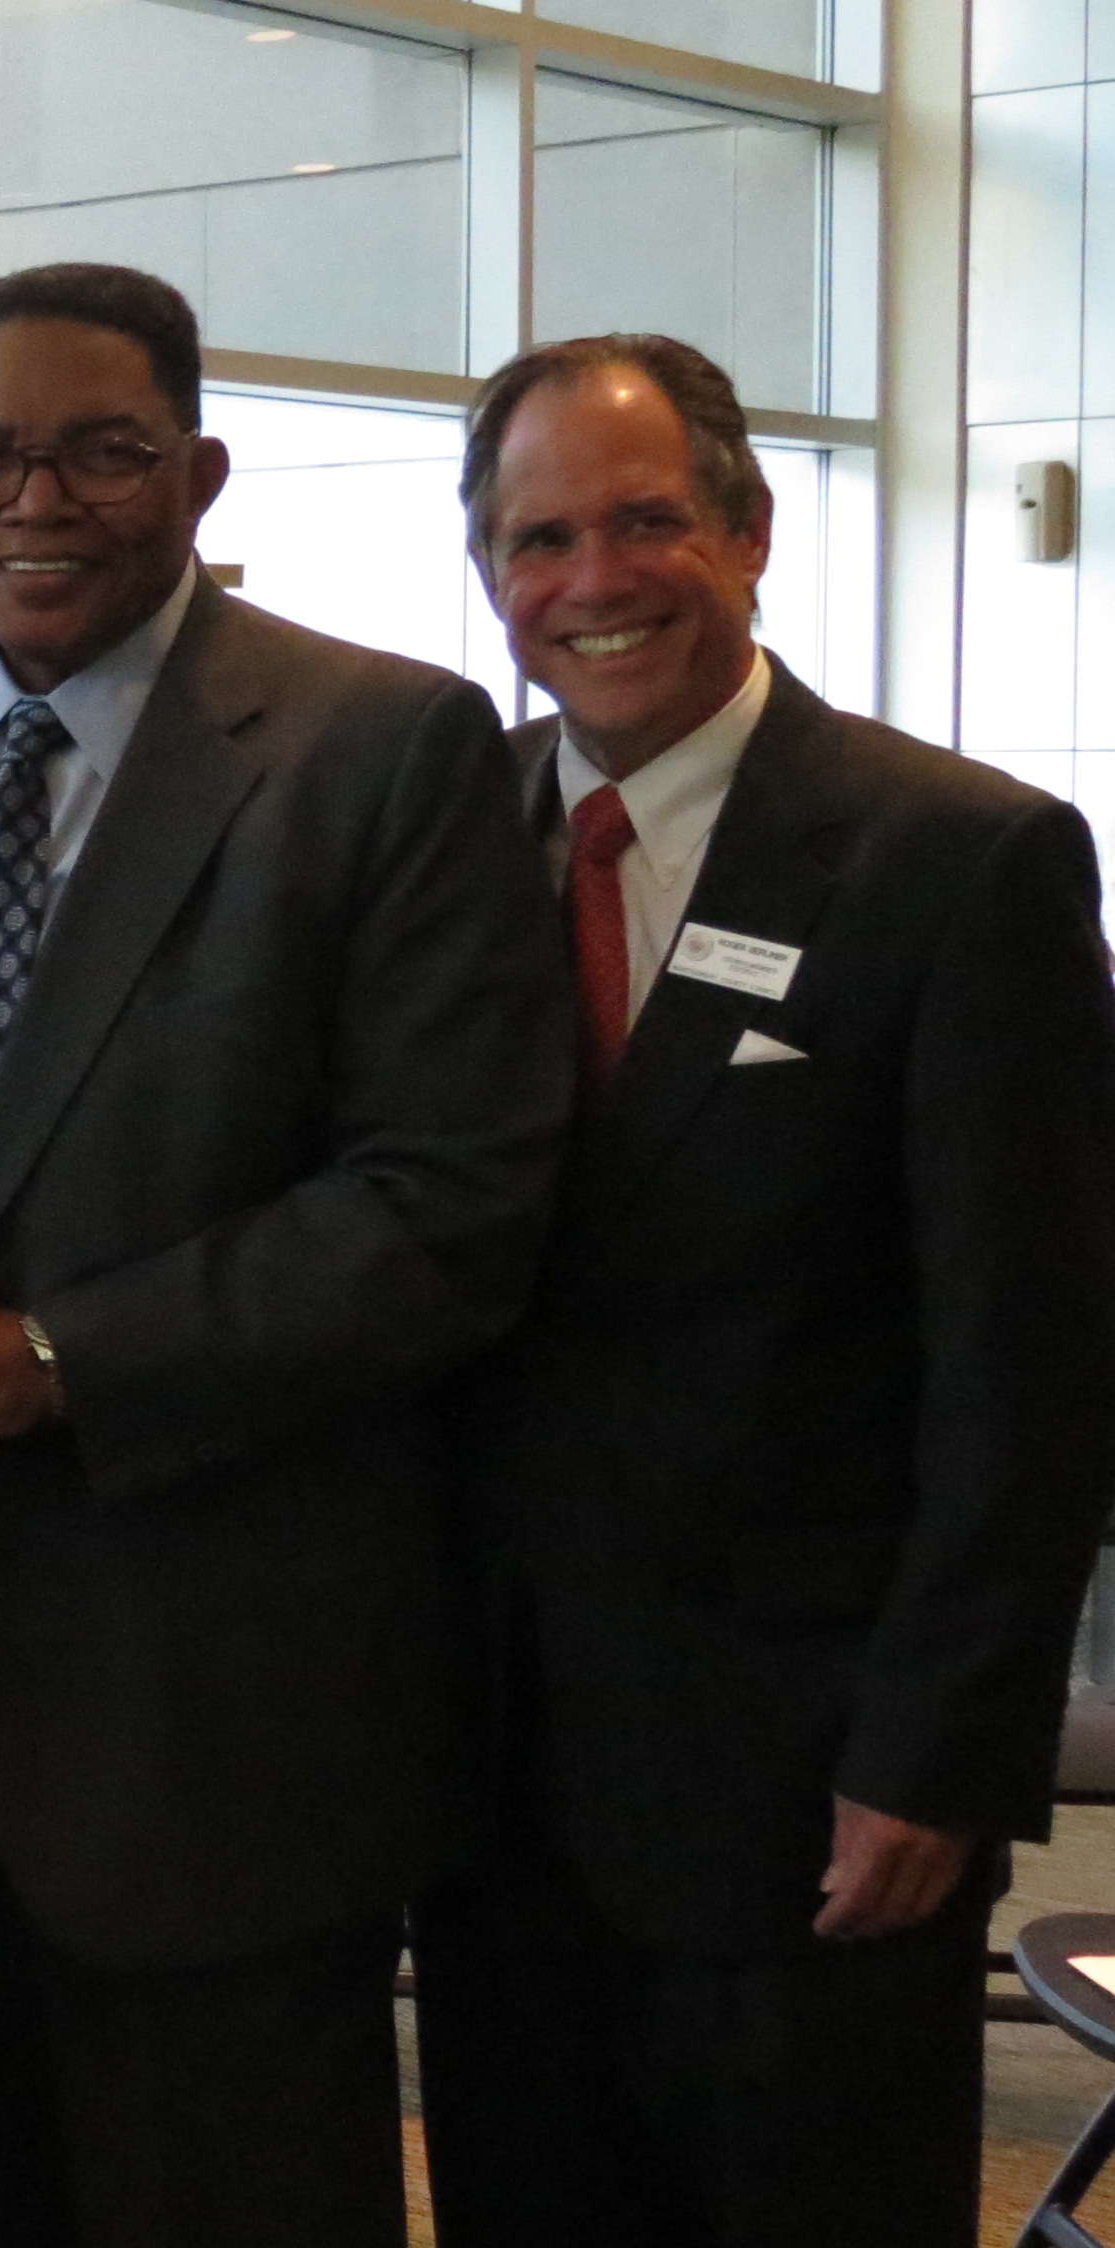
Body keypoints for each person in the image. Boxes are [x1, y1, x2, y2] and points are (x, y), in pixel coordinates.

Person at [0, 264, 574, 2246]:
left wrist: (53, 1350)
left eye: (100, 452)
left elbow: (445, 1206)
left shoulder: (380, 746)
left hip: (211, 1748)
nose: (35, 499)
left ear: (194, 470)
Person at [410, 335, 1115, 2248]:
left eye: (646, 521)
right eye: (539, 536)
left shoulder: (957, 861)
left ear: (749, 529)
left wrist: (939, 1757)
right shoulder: (433, 836)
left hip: (811, 1795)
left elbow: (1030, 1368)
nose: (595, 580)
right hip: (485, 1783)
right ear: (488, 574)